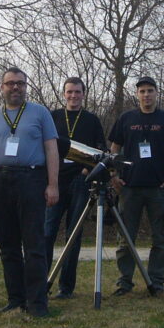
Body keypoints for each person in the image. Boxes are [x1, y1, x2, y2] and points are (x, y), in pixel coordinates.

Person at [0, 67, 59, 317]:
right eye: (10, 83)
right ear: (2, 87)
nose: (15, 88)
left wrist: (52, 184)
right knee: (8, 245)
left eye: (20, 83)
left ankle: (37, 303)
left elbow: (52, 149)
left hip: (31, 179)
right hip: (0, 181)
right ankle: (15, 298)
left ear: (25, 86)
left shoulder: (40, 113)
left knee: (34, 245)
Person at [107, 76, 164, 295]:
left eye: (150, 91)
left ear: (157, 93)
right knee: (125, 240)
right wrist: (113, 174)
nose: (146, 95)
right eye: (142, 91)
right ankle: (124, 283)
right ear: (137, 94)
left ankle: (156, 282)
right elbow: (114, 147)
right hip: (129, 188)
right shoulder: (126, 118)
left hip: (158, 188)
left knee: (160, 239)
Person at [45, 76, 106, 299]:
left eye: (77, 92)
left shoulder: (91, 120)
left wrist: (87, 170)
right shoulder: (53, 117)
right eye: (69, 92)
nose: (73, 96)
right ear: (64, 94)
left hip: (81, 180)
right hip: (56, 179)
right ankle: (42, 282)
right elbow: (45, 145)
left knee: (73, 234)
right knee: (47, 231)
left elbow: (101, 149)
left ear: (83, 94)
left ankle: (66, 287)